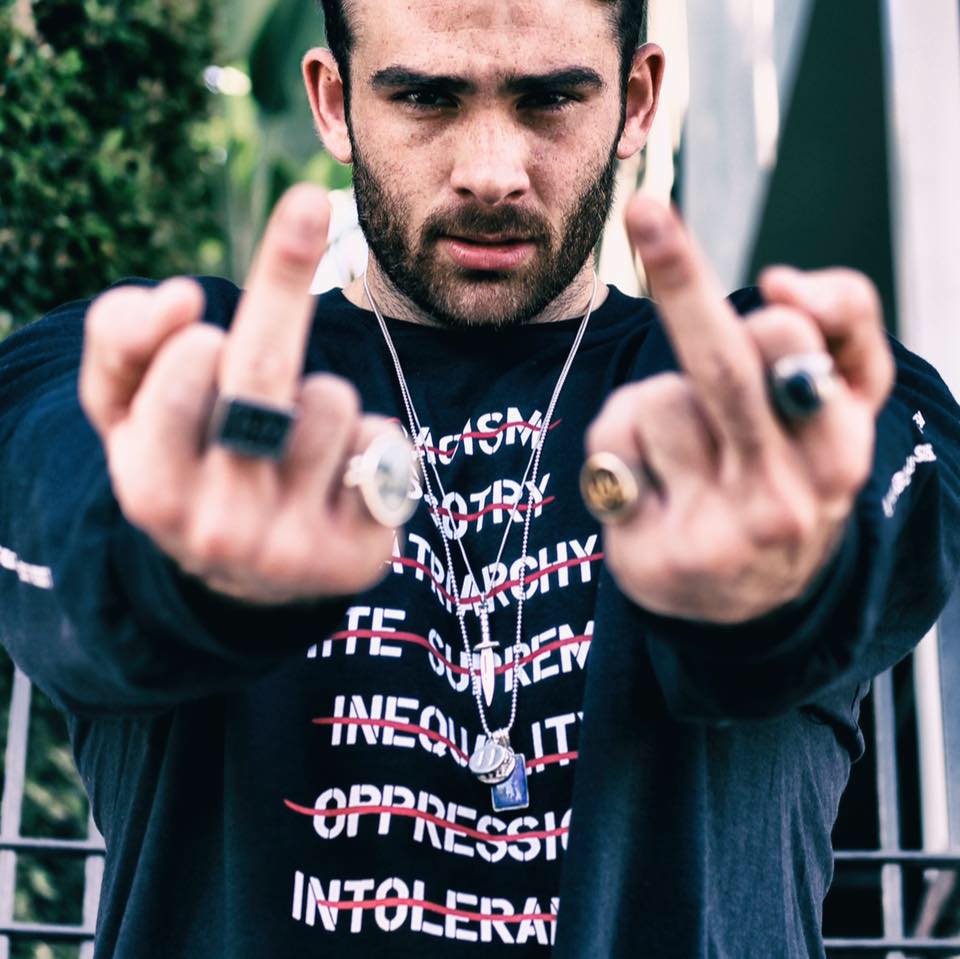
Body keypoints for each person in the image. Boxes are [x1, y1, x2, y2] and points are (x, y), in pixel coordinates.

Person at [0, 0, 958, 956]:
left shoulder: (752, 400)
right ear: (334, 103)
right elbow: (53, 491)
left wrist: (789, 574)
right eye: (426, 98)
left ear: (636, 101)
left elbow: (891, 493)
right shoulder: (176, 386)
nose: (492, 173)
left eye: (551, 100)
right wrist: (166, 562)